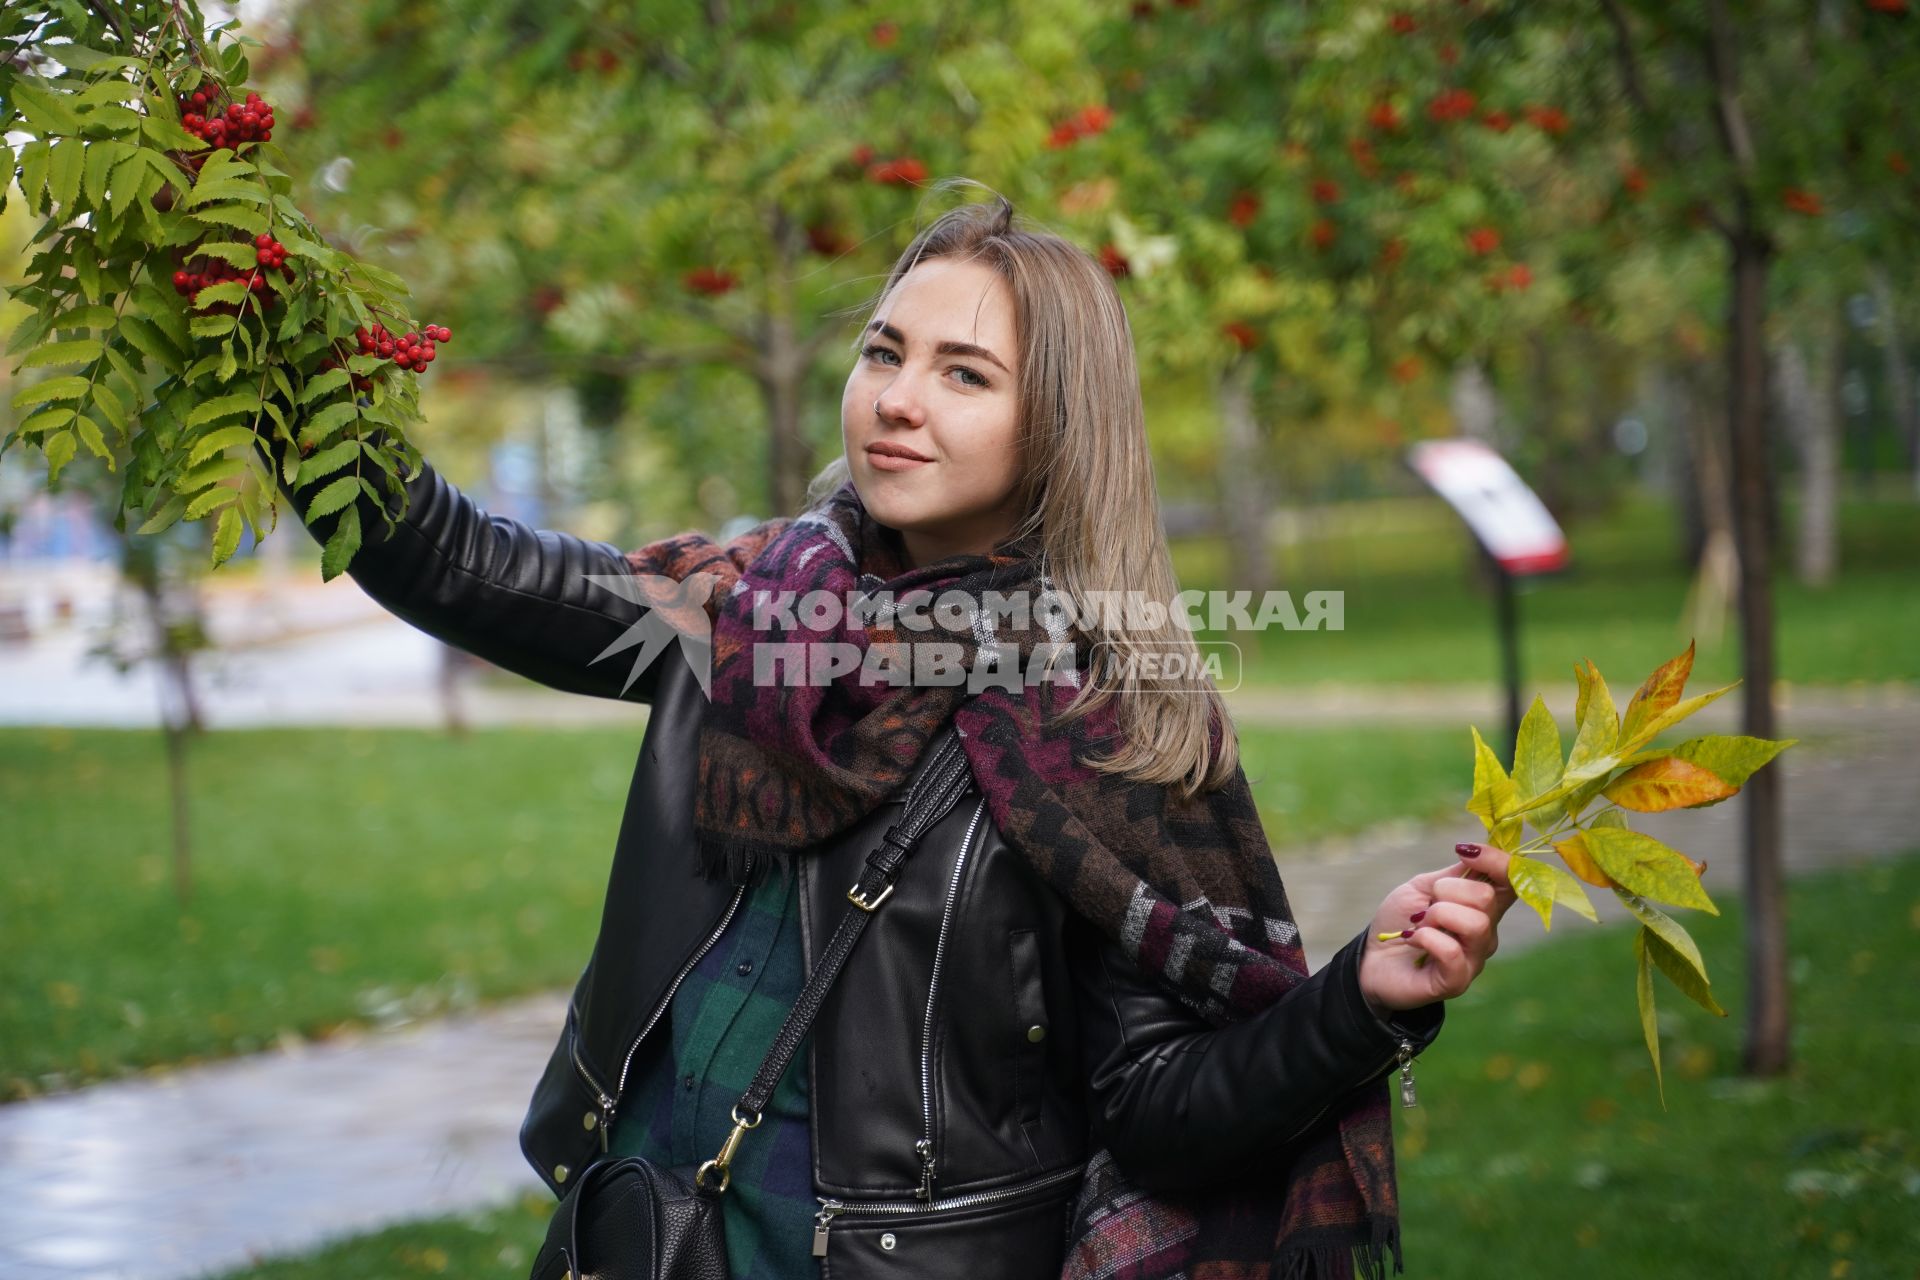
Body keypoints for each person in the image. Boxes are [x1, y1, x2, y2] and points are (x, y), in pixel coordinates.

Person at [272, 186, 1516, 1280]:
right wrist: (270, 347)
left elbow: (1159, 1109)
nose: (898, 400)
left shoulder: (1107, 715)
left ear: (1058, 426)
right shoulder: (744, 607)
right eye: (884, 352)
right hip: (648, 1230)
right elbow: (457, 561)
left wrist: (1360, 999)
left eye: (965, 374)